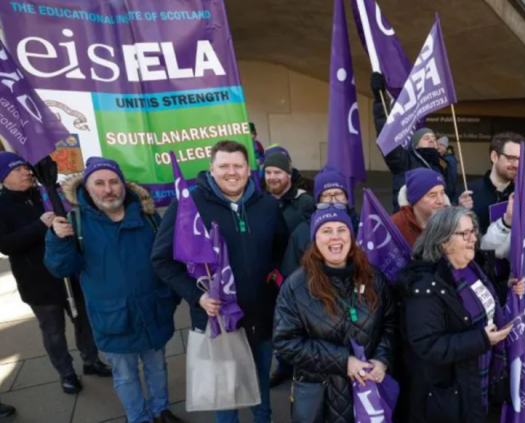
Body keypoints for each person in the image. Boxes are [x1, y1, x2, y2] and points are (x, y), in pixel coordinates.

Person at [151, 141, 286, 423]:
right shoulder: (189, 206)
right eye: (224, 165)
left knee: (261, 393)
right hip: (218, 322)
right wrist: (196, 296)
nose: (231, 172)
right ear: (211, 169)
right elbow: (162, 259)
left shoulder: (268, 206)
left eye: (238, 165)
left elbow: (279, 253)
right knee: (225, 399)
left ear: (249, 170)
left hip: (260, 319)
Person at [45, 158, 181, 423]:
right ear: (88, 187)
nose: (108, 189)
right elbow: (61, 269)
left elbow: (167, 258)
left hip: (153, 310)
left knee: (157, 367)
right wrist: (57, 240)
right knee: (126, 375)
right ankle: (139, 417)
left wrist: (171, 297)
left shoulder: (148, 216)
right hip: (113, 318)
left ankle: (161, 410)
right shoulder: (76, 222)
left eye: (113, 182)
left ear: (123, 184)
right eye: (100, 183)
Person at [394, 207, 525, 423]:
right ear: (443, 242)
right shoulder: (425, 285)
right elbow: (427, 344)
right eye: (465, 234)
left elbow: (481, 305)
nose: (473, 238)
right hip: (449, 396)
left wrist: (506, 289)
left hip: (478, 380)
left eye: (473, 231)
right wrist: (482, 340)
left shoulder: (473, 267)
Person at [0, 152, 111, 395]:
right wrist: (40, 225)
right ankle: (66, 373)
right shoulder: (2, 204)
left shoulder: (47, 193)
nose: (26, 172)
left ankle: (91, 360)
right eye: (17, 170)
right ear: (4, 177)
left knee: (84, 321)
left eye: (25, 168)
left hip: (70, 272)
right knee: (53, 331)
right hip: (37, 281)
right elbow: (5, 245)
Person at [273, 208, 396, 423]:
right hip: (320, 399)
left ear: (351, 236)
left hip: (369, 395)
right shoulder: (295, 286)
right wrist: (343, 361)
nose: (335, 237)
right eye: (326, 231)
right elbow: (286, 342)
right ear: (315, 239)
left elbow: (390, 323)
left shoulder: (374, 278)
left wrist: (381, 359)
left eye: (342, 230)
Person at [272, 170, 361, 388]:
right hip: (317, 319)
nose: (333, 200)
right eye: (326, 195)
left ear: (347, 198)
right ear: (318, 199)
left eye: (338, 194)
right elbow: (290, 278)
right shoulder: (302, 232)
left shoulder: (363, 226)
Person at [371, 73, 456, 211]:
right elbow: (386, 137)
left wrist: (460, 204)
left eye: (434, 139)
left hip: (437, 225)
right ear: (415, 144)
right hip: (410, 225)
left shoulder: (441, 165)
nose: (432, 141)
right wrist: (380, 100)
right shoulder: (404, 160)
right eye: (426, 138)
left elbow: (449, 196)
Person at [461, 132, 523, 234]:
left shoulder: (523, 195)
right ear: (494, 157)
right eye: (511, 158)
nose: (517, 164)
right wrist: (459, 212)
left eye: (520, 159)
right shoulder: (468, 193)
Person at [391, 168, 449, 247]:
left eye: (442, 193)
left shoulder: (453, 223)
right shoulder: (394, 225)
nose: (441, 201)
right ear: (415, 198)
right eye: (432, 195)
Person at [262, 151, 315, 233]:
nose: (272, 177)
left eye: (277, 172)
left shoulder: (306, 202)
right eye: (268, 172)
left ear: (289, 175)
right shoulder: (259, 202)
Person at [437, 136, 459, 203]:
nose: (438, 146)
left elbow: (451, 177)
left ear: (445, 147)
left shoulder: (448, 159)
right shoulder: (443, 157)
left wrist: (447, 191)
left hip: (448, 189)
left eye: (441, 145)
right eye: (437, 144)